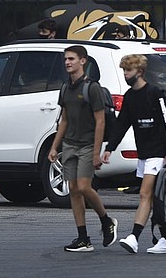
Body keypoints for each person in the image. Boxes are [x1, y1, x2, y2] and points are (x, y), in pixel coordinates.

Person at [103, 54, 166, 254]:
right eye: (124, 70)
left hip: (158, 153)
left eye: (129, 70)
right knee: (153, 198)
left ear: (140, 72)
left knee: (145, 194)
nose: (125, 74)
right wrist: (110, 147)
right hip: (144, 154)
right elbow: (121, 124)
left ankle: (134, 237)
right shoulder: (130, 97)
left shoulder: (155, 94)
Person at [47, 45, 117, 252]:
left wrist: (96, 152)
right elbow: (64, 120)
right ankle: (83, 238)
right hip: (69, 145)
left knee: (85, 187)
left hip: (87, 145)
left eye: (72, 59)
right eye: (66, 59)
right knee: (74, 191)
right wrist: (54, 147)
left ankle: (106, 221)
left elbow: (101, 122)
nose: (68, 62)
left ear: (83, 61)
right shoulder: (65, 88)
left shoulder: (91, 88)